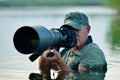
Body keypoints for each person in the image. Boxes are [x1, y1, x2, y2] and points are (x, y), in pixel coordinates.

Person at [39, 12, 107, 73]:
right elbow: (44, 68)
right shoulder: (68, 51)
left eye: (76, 29)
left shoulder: (92, 52)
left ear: (88, 29)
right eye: (69, 30)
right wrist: (49, 45)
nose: (73, 33)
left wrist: (59, 62)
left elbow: (82, 76)